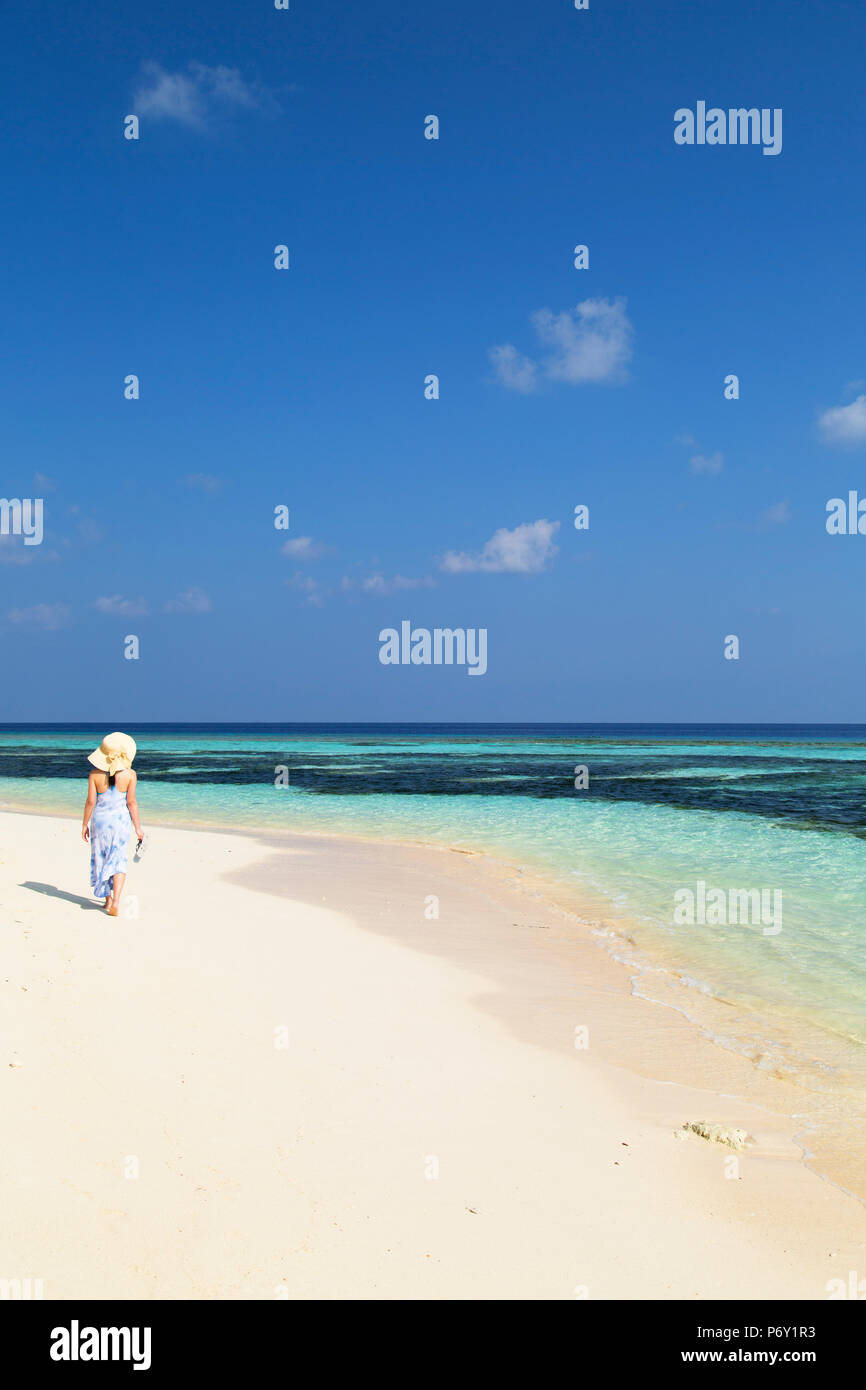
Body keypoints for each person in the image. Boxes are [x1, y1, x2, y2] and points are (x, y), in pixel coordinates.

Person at [81, 733, 143, 917]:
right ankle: (116, 902)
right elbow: (131, 802)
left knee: (101, 857)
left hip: (100, 822)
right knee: (118, 860)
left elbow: (91, 802)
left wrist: (84, 824)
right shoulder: (130, 775)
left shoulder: (94, 775)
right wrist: (138, 828)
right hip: (120, 822)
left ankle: (107, 901)